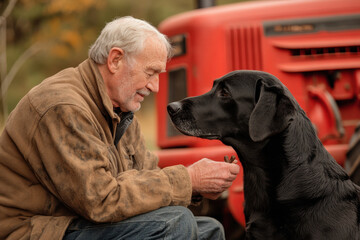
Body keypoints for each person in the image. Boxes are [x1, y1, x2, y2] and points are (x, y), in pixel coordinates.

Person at [0, 16, 240, 240]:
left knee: (209, 230)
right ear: (115, 60)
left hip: (75, 221)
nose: (155, 86)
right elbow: (100, 200)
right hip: (35, 229)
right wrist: (188, 179)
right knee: (177, 223)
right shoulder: (63, 108)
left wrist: (198, 188)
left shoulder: (122, 110)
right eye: (150, 72)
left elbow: (147, 177)